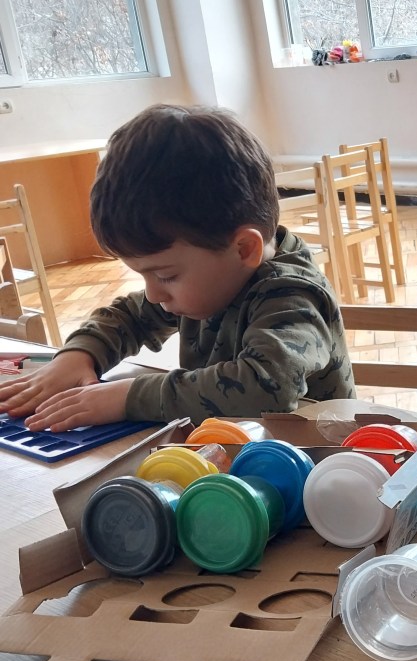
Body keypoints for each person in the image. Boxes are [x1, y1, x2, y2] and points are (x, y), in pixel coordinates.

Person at [0, 104, 355, 430]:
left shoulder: (293, 296)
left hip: (322, 464)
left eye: (166, 275)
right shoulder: (215, 277)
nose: (154, 294)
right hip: (233, 449)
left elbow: (266, 388)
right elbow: (129, 316)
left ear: (244, 248)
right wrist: (80, 354)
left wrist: (127, 397)